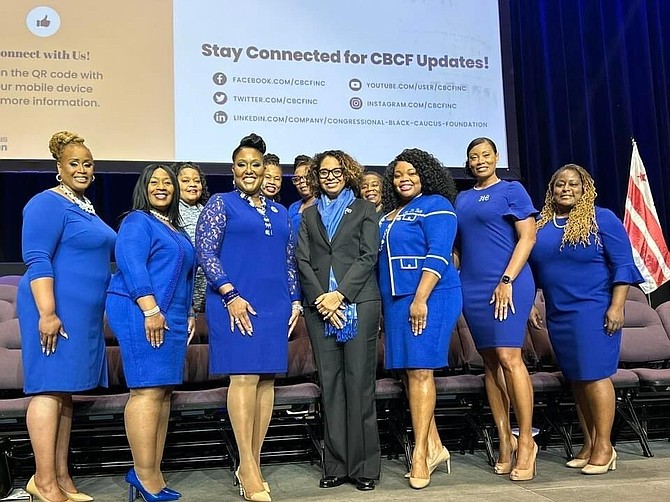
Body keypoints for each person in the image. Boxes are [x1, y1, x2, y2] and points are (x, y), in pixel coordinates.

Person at [196, 134, 301, 502]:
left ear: (266, 169)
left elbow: (289, 262)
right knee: (244, 378)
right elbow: (206, 253)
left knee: (267, 382)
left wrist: (296, 302)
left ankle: (251, 463)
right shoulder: (220, 204)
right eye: (242, 165)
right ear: (233, 170)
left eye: (256, 165)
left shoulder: (280, 211)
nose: (249, 171)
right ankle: (247, 464)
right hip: (234, 303)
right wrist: (230, 294)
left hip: (274, 304)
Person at [17, 131, 115, 502]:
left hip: (82, 317)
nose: (82, 169)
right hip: (53, 310)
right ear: (59, 167)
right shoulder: (47, 203)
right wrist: (47, 313)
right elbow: (37, 257)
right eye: (74, 163)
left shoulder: (85, 207)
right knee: (47, 390)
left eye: (88, 164)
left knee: (64, 394)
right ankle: (42, 482)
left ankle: (61, 478)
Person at [528, 164, 643, 475]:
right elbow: (533, 272)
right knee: (577, 379)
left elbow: (622, 266)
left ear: (585, 188)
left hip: (594, 309)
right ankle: (590, 442)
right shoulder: (541, 226)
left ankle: (605, 446)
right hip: (559, 312)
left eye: (573, 184)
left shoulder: (601, 218)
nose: (566, 189)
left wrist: (617, 306)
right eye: (559, 184)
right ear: (551, 191)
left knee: (594, 375)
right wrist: (529, 305)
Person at [106, 164, 195, 502]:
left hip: (169, 315)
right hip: (140, 310)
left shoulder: (174, 227)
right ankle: (143, 474)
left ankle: (151, 472)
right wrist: (150, 309)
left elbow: (184, 277)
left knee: (162, 393)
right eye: (154, 182)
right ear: (144, 188)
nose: (162, 187)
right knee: (146, 391)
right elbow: (131, 264)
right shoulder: (137, 221)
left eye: (167, 183)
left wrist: (186, 314)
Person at [296, 150, 381, 491]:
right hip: (320, 310)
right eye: (323, 172)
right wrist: (322, 299)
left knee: (359, 386)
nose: (330, 176)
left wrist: (340, 295)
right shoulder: (309, 215)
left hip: (358, 302)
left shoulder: (364, 209)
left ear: (347, 173)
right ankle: (335, 465)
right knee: (330, 387)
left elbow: (368, 255)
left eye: (336, 170)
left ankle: (364, 468)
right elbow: (303, 260)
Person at [455, 137, 538, 481]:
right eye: (473, 156)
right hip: (473, 287)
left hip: (508, 282)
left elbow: (528, 237)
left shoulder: (512, 190)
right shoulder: (461, 198)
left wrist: (506, 280)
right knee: (489, 362)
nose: (479, 161)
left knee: (509, 357)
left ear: (496, 157)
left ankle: (526, 442)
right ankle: (504, 440)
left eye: (485, 155)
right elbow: (459, 245)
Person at [378, 148, 461, 489]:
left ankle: (421, 455)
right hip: (396, 300)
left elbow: (440, 254)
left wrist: (421, 298)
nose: (404, 179)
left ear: (425, 174)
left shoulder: (437, 205)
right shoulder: (389, 213)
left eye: (411, 172)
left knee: (421, 371)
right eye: (398, 175)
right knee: (411, 374)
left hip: (429, 296)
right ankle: (436, 446)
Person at [172, 162, 210, 315]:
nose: (192, 184)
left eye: (197, 180)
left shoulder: (209, 211)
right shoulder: (171, 213)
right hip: (185, 298)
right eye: (185, 181)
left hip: (207, 295)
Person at [287, 155, 315, 234]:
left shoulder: (322, 204)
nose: (302, 181)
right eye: (297, 179)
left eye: (307, 177)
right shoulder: (293, 207)